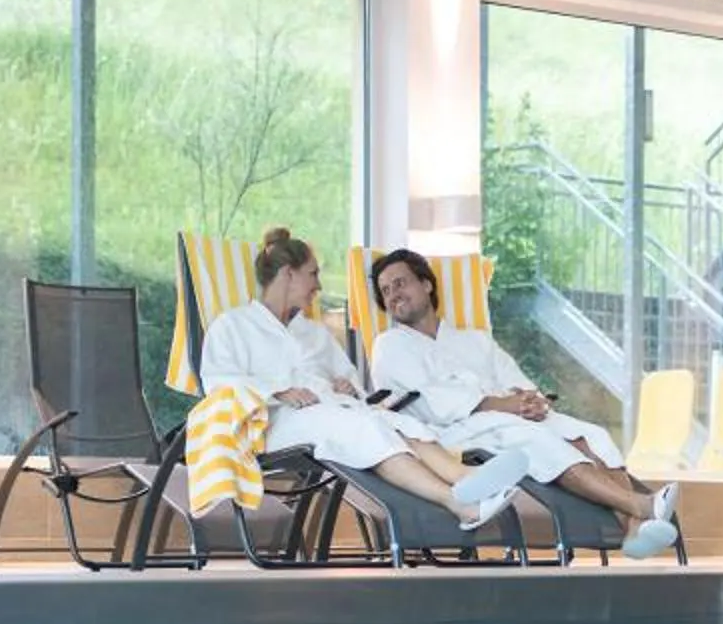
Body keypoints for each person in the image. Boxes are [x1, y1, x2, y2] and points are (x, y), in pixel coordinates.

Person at [364, 246, 682, 560]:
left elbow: (514, 379)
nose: (393, 294)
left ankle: (633, 526)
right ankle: (640, 506)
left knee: (590, 435)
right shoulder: (390, 345)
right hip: (455, 432)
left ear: (427, 284)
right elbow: (431, 402)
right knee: (538, 440)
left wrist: (532, 401)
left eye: (400, 283)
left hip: (509, 416)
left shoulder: (474, 339)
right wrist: (506, 405)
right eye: (386, 291)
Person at [198, 230, 528, 528]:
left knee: (396, 423)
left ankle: (466, 477)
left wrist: (348, 386)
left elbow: (351, 380)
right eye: (313, 273)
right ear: (289, 274)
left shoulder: (314, 333)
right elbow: (218, 382)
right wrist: (279, 391)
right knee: (366, 428)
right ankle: (458, 501)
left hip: (333, 412)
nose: (319, 286)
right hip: (275, 423)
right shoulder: (233, 326)